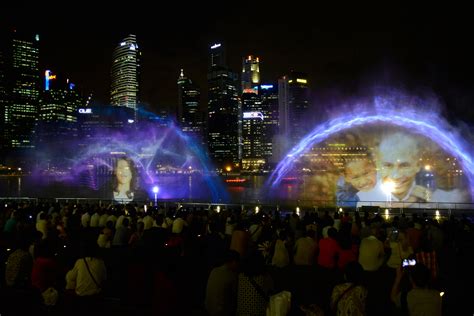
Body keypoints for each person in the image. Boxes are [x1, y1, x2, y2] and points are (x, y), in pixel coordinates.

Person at [357, 133, 430, 207]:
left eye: (404, 165)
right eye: (388, 165)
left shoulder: (436, 196)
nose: (396, 176)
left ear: (418, 165)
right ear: (377, 165)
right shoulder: (363, 199)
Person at [205, 249, 240, 316]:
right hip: (220, 312)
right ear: (234, 262)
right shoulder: (232, 275)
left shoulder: (214, 270)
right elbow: (236, 294)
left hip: (208, 308)